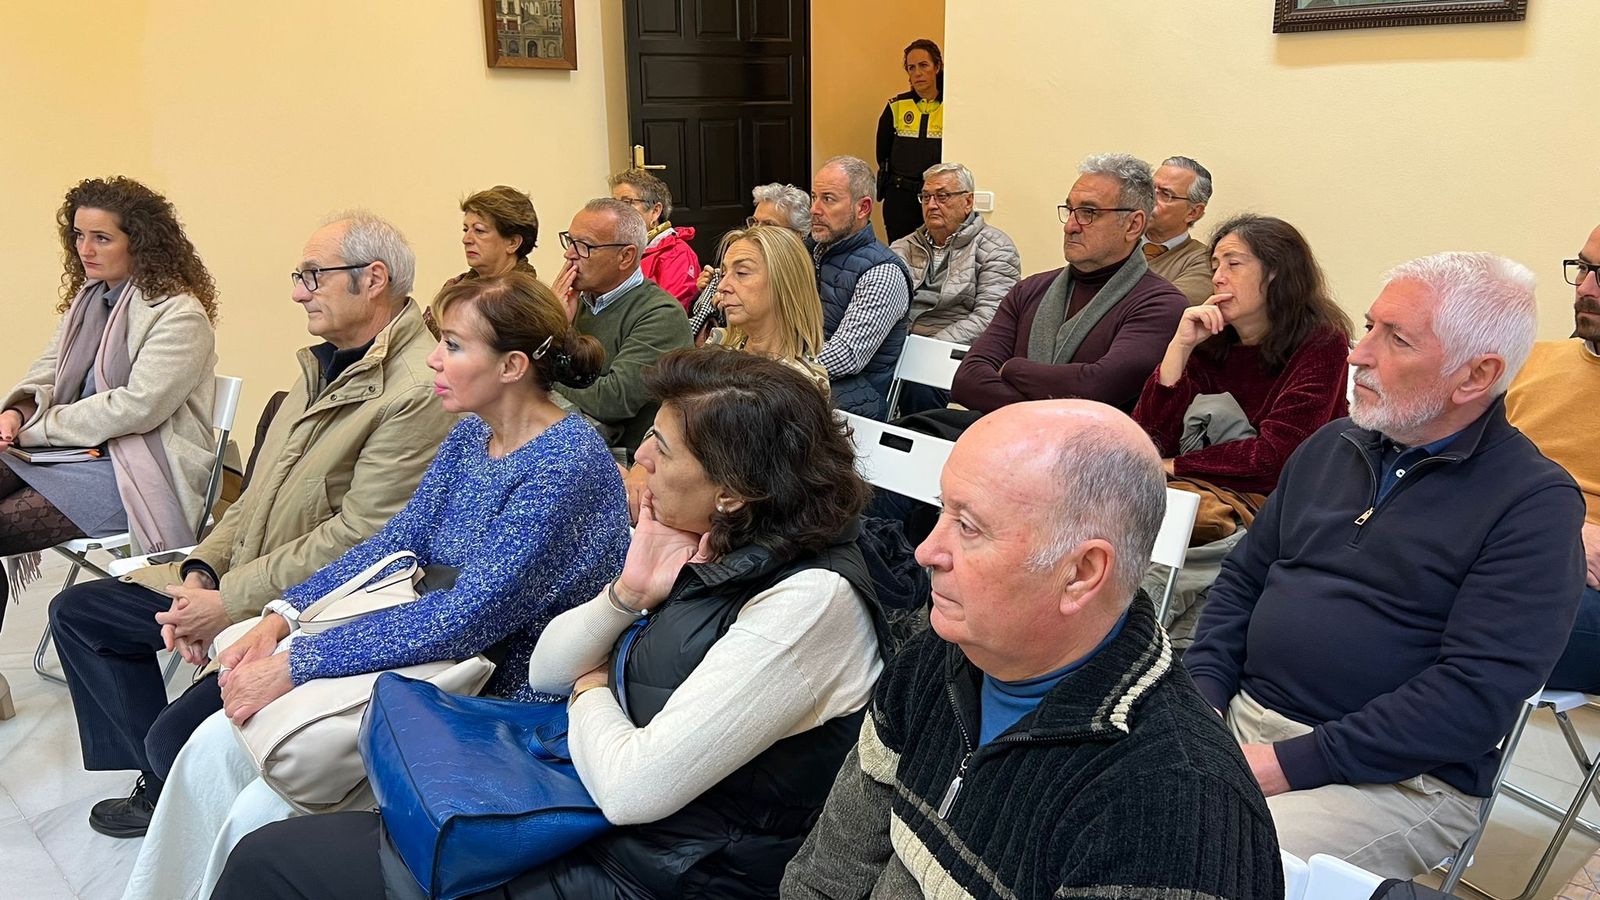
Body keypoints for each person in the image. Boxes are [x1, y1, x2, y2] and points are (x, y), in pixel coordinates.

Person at [214, 348, 888, 900]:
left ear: (733, 490)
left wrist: (591, 689)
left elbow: (634, 787)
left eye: (660, 448)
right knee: (276, 850)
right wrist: (625, 595)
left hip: (668, 873)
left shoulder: (811, 603)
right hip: (596, 817)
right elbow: (548, 669)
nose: (640, 461)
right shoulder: (704, 541)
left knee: (276, 866)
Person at [121, 271, 633, 900]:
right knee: (208, 747)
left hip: (496, 703)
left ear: (513, 366)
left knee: (262, 811)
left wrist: (299, 662)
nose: (434, 359)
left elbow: (470, 616)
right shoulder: (476, 432)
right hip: (429, 656)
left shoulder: (568, 464)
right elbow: (397, 541)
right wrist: (282, 616)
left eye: (453, 344)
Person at [49, 212, 456, 838]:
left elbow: (363, 540)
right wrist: (200, 569)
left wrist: (227, 603)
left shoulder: (413, 388)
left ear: (373, 279)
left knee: (172, 740)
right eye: (301, 276)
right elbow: (251, 496)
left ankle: (171, 768)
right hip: (238, 583)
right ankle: (161, 784)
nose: (299, 292)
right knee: (80, 613)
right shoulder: (323, 364)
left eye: (313, 276)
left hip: (306, 607)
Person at [1184, 252, 1587, 878]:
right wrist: (1203, 701)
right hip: (1240, 716)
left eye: (1394, 338)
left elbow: (1472, 697)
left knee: (1203, 855)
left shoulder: (1533, 503)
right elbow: (1241, 584)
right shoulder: (1332, 444)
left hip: (1397, 779)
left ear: (1475, 375)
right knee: (1085, 794)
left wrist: (1283, 764)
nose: (1358, 353)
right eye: (1369, 326)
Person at [781, 399, 1283, 898]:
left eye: (969, 527)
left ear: (1081, 574)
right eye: (942, 511)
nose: (925, 551)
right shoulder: (940, 653)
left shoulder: (1171, 813)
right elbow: (826, 877)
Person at [0, 177, 219, 623]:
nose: (86, 249)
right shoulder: (88, 300)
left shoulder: (180, 314)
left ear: (140, 242)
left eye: (102, 237)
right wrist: (15, 411)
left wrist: (37, 427)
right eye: (79, 235)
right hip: (68, 454)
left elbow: (136, 407)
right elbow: (45, 371)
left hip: (134, 470)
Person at [1133, 214, 1352, 500]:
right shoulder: (1210, 341)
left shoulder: (1322, 343)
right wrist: (1180, 346)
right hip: (1192, 495)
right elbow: (1148, 439)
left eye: (1233, 264)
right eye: (1215, 266)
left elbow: (1274, 459)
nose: (1217, 278)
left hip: (1282, 504)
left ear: (1276, 271)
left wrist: (1171, 466)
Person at [950, 153, 1187, 414]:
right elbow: (967, 380)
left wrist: (1012, 368)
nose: (1070, 226)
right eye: (1070, 210)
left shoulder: (1160, 305)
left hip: (1094, 452)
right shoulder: (1029, 291)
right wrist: (1047, 412)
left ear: (1133, 225)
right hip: (1002, 440)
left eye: (1089, 213)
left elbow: (1097, 387)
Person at [1505, 224, 1600, 692]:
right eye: (1583, 267)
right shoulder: (1532, 360)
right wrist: (1564, 528)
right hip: (1497, 544)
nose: (1584, 288)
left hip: (1576, 588)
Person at [551, 198, 692, 461]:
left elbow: (612, 400)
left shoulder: (660, 314)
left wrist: (547, 372)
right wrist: (551, 321)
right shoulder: (573, 301)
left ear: (625, 256)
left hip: (630, 460)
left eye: (584, 246)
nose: (569, 254)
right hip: (573, 440)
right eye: (569, 241)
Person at [889, 162, 1020, 414]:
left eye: (943, 196)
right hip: (901, 344)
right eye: (926, 197)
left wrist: (927, 348)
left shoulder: (996, 248)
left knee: (920, 384)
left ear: (968, 202)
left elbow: (990, 317)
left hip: (955, 351)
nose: (932, 205)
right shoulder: (902, 246)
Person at [809, 155, 912, 419]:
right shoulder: (810, 252)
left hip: (857, 396)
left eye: (828, 199)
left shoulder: (882, 272)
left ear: (863, 208)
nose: (814, 210)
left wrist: (780, 370)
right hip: (809, 382)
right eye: (814, 197)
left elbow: (846, 355)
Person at [688, 183, 811, 339]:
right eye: (754, 222)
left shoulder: (809, 277)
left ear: (797, 235)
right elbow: (696, 323)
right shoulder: (730, 264)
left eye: (769, 225)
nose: (756, 230)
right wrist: (704, 295)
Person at [875, 38, 944, 242]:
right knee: (901, 255)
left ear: (937, 67)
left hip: (938, 198)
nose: (917, 73)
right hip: (900, 199)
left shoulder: (951, 106)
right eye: (911, 68)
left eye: (923, 65)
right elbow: (882, 153)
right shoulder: (896, 106)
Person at [610, 167, 701, 309]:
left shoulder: (677, 254)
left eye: (627, 202)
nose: (616, 211)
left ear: (655, 211)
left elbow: (668, 313)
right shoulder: (615, 248)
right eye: (614, 204)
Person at [1143, 156, 1216, 306]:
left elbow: (1161, 308)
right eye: (1150, 189)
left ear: (1193, 212)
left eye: (1165, 194)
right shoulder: (1116, 238)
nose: (1149, 199)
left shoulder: (1203, 260)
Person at [448, 185, 540, 286]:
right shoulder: (454, 289)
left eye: (479, 230)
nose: (466, 240)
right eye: (466, 230)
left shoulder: (526, 299)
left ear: (513, 243)